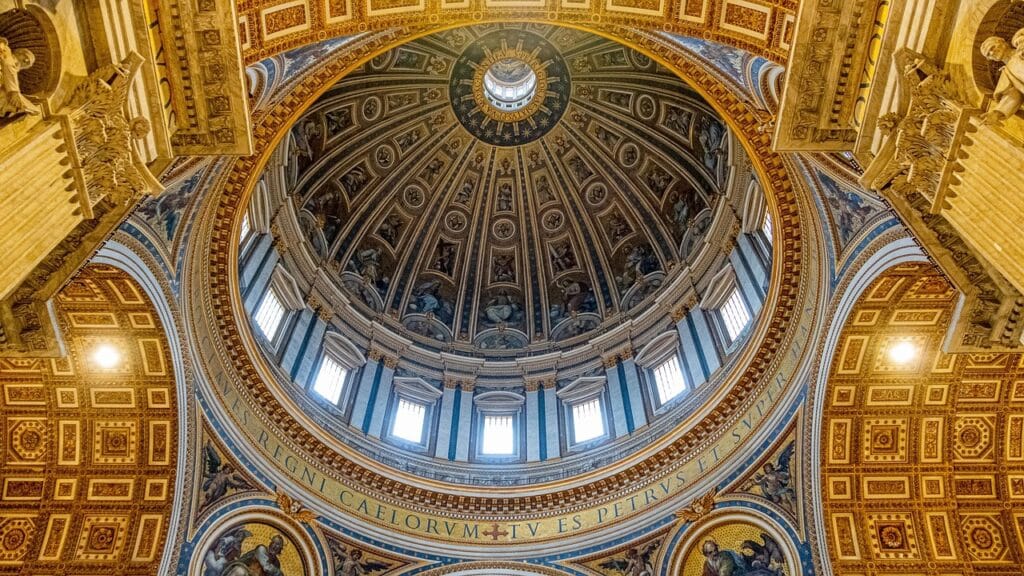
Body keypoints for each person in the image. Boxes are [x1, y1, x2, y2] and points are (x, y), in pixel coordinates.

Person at [980, 31, 1024, 125]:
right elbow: (1013, 95)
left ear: (1002, 41)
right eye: (988, 54)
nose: (992, 52)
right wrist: (997, 113)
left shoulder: (1021, 45)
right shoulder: (1006, 74)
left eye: (992, 47)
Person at [0, 38, 38, 118]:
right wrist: (14, 91)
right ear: (19, 53)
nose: (26, 61)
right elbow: (8, 65)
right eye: (26, 57)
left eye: (28, 63)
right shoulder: (7, 52)